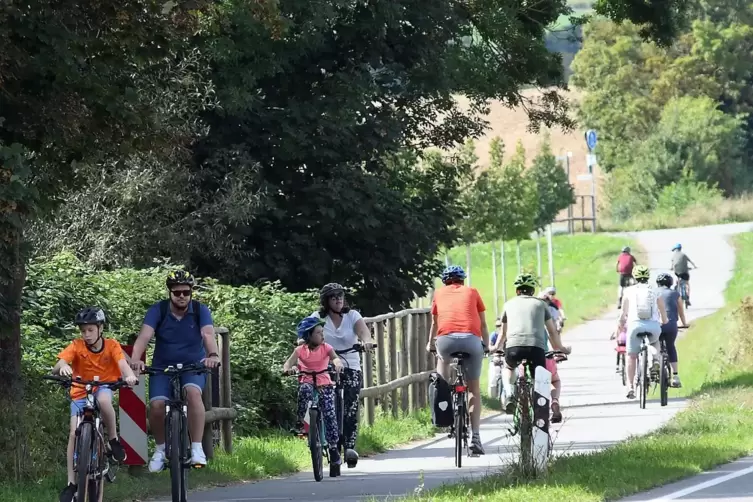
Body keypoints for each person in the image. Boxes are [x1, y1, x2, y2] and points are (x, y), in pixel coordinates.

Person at [129, 270, 221, 472]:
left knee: (193, 394)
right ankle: (161, 449)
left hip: (193, 365)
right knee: (157, 406)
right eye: (177, 292)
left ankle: (196, 448)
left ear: (191, 292)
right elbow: (144, 337)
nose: (181, 296)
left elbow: (207, 334)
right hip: (163, 366)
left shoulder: (200, 310)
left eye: (186, 292)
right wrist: (135, 360)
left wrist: (212, 354)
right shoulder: (158, 310)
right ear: (169, 292)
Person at [54, 307, 139, 502]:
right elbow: (58, 364)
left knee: (103, 400)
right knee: (73, 432)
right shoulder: (76, 346)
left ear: (100, 328)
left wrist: (129, 376)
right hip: (80, 390)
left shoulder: (112, 345)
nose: (86, 335)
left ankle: (113, 439)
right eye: (83, 331)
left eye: (90, 330)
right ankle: (71, 482)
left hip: (103, 386)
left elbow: (123, 365)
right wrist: (64, 366)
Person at [425, 265, 489, 455]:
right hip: (471, 340)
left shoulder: (438, 294)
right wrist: (486, 346)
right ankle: (475, 437)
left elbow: (435, 324)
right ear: (462, 280)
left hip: (446, 341)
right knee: (474, 388)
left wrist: (430, 344)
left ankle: (443, 407)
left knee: (441, 378)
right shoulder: (472, 292)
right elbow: (483, 323)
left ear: (445, 281)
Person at [491, 273, 571, 422]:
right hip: (536, 348)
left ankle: (509, 393)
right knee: (538, 377)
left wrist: (494, 347)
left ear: (517, 291)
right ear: (532, 291)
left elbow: (502, 333)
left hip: (513, 348)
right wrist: (562, 348)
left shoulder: (508, 305)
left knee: (508, 368)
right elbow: (552, 332)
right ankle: (540, 406)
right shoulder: (542, 305)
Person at [311, 282, 375, 467]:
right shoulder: (318, 317)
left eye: (340, 295)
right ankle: (325, 439)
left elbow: (363, 332)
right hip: (326, 365)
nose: (338, 299)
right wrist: (303, 339)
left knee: (350, 407)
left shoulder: (352, 316)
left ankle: (349, 447)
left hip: (350, 364)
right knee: (326, 403)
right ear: (326, 301)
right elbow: (306, 331)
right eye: (334, 297)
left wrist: (367, 341)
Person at [283, 316, 344, 464]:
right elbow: (288, 363)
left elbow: (335, 358)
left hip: (324, 381)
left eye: (322, 332)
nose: (322, 335)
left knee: (329, 412)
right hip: (308, 380)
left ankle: (334, 448)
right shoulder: (300, 350)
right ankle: (302, 423)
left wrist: (337, 364)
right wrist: (288, 369)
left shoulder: (326, 347)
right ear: (308, 335)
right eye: (318, 333)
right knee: (304, 391)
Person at [617, 265, 669, 399]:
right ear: (648, 277)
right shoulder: (654, 290)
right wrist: (664, 320)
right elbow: (662, 309)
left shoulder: (628, 291)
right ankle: (655, 361)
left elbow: (623, 314)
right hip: (653, 325)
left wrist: (621, 324)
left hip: (635, 325)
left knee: (631, 355)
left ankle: (630, 386)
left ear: (635, 276)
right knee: (655, 341)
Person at [656, 272, 688, 388]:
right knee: (670, 346)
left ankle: (654, 364)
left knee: (654, 345)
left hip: (657, 325)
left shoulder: (653, 293)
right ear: (670, 283)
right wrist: (684, 324)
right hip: (671, 325)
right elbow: (681, 311)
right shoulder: (675, 294)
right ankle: (675, 376)